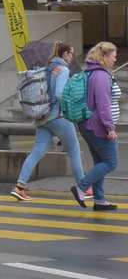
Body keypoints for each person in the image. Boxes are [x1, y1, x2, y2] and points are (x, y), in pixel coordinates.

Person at [12, 42, 85, 201]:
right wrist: (71, 101)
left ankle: (19, 187)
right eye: (71, 53)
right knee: (74, 152)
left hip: (42, 117)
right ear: (65, 54)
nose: (72, 57)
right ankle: (83, 189)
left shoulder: (47, 68)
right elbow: (59, 94)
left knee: (37, 151)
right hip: (58, 117)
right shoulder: (64, 69)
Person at [71, 41, 120, 211]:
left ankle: (99, 200)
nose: (116, 59)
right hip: (97, 126)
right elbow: (103, 105)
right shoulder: (100, 76)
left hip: (88, 125)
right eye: (113, 56)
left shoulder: (91, 72)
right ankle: (81, 187)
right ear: (105, 56)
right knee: (111, 162)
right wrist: (110, 128)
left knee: (100, 161)